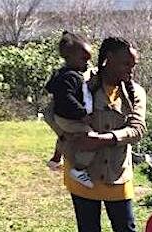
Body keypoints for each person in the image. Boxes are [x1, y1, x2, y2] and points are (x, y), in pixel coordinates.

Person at [61, 37, 146, 232]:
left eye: (132, 65)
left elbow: (137, 130)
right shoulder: (82, 85)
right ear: (107, 58)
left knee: (127, 229)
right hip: (84, 172)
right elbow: (58, 111)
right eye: (124, 63)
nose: (129, 70)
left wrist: (105, 138)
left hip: (118, 173)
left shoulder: (136, 93)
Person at [44, 31, 96, 188]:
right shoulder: (71, 77)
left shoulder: (63, 73)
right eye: (83, 59)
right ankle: (79, 168)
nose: (87, 63)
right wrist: (82, 114)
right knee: (91, 138)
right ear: (69, 57)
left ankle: (55, 159)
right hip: (68, 117)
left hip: (61, 116)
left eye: (89, 59)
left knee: (65, 136)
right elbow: (68, 98)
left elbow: (50, 87)